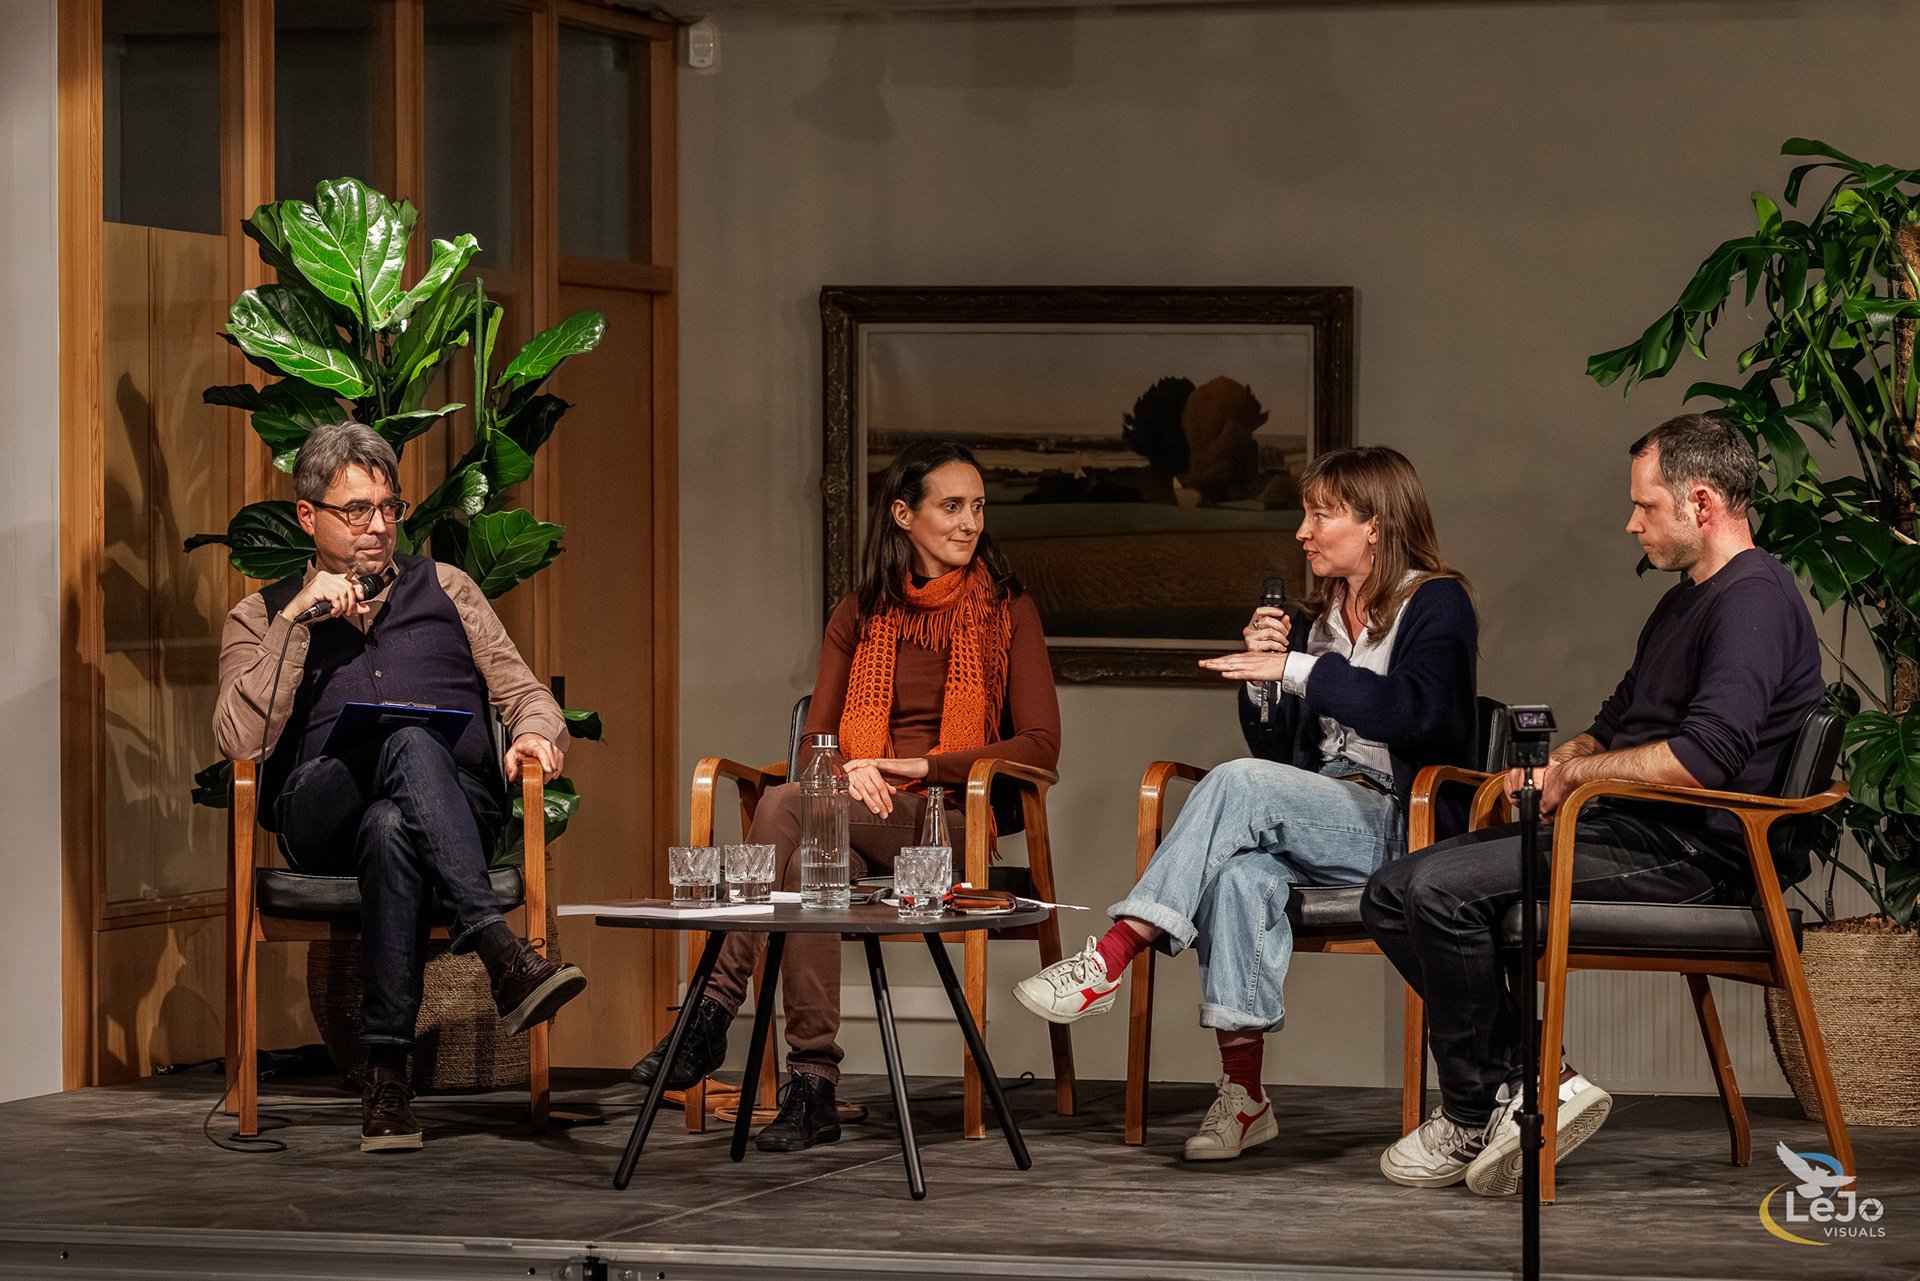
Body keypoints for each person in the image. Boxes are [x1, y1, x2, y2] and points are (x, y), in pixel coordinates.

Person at [1364, 414, 1821, 1197]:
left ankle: (1484, 1103)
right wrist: (1555, 766)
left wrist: (1577, 779)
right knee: (1391, 890)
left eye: (1646, 505)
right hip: (1626, 826)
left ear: (1702, 503)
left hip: (1699, 853)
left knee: (1438, 892)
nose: (1632, 522)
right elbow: (1613, 725)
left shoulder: (1754, 602)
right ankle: (1527, 1083)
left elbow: (1702, 759)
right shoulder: (1682, 603)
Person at [1014, 446, 1478, 1162]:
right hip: (1323, 818)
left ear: (1377, 524)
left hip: (1401, 820)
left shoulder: (1437, 601)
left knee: (1238, 783)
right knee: (1235, 877)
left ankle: (1111, 955)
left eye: (1320, 514)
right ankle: (1245, 1096)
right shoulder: (1319, 618)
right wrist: (1266, 683)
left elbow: (1423, 714)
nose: (1302, 531)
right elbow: (1278, 750)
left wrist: (1297, 669)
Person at [628, 438, 1062, 1152]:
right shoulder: (858, 612)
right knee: (807, 863)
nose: (970, 523)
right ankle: (813, 1087)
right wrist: (848, 769)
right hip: (854, 817)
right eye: (952, 506)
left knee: (783, 804)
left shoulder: (1007, 608)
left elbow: (1041, 746)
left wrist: (922, 765)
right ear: (903, 514)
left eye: (978, 507)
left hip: (948, 823)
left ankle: (710, 1009)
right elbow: (817, 744)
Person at [213, 423, 584, 1154]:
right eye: (357, 509)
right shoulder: (261, 615)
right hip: (323, 814)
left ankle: (387, 1080)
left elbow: (525, 694)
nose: (379, 525)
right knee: (404, 747)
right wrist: (297, 620)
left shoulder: (448, 587)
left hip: (454, 806)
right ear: (308, 516)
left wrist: (538, 735)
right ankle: (501, 953)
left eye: (389, 507)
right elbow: (237, 741)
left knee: (392, 824)